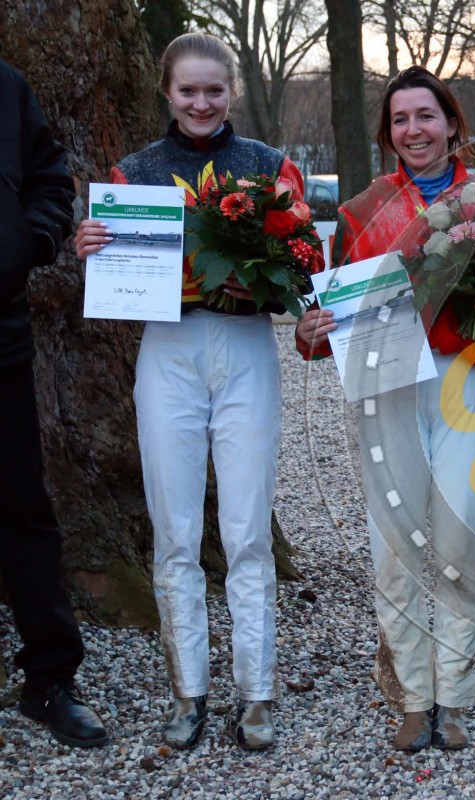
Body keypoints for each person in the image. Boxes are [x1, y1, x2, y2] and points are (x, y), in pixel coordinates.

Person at [74, 33, 310, 752]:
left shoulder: (268, 166)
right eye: (187, 91)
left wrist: (273, 268)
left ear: (232, 90)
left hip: (246, 346)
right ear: (167, 93)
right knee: (174, 528)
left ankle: (257, 692)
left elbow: (301, 262)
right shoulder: (137, 170)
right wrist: (93, 249)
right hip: (168, 349)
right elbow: (119, 271)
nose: (201, 103)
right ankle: (188, 690)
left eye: (213, 90)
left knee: (246, 528)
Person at [296, 66, 475, 753]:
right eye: (400, 120)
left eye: (425, 115)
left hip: (464, 377)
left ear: (451, 123)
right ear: (387, 133)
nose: (414, 130)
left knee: (461, 536)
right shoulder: (360, 210)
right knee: (394, 545)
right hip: (387, 381)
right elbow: (331, 310)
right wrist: (311, 330)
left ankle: (456, 695)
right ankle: (411, 697)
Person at [0, 59, 108, 749]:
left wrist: (26, 243)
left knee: (22, 511)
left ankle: (49, 679)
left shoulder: (7, 86)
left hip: (0, 337)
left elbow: (48, 179)